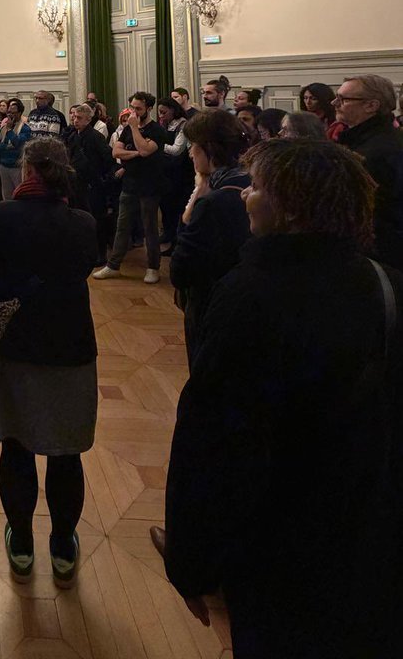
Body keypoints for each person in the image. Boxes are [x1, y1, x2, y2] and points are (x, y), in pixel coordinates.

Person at [163, 140, 403, 658]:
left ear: (290, 207)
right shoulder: (386, 282)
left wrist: (192, 562)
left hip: (278, 535)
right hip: (371, 525)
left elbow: (212, 439)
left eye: (257, 188)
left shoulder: (249, 294)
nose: (246, 196)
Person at [0, 137, 98, 588]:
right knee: (67, 454)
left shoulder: (3, 216)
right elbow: (85, 266)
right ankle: (64, 544)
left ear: (27, 171)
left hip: (16, 340)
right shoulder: (82, 223)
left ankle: (22, 541)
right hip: (70, 344)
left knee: (17, 445)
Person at [168, 110, 250, 362]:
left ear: (209, 150)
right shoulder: (248, 180)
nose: (190, 152)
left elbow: (180, 269)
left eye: (193, 146)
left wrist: (196, 198)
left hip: (213, 302)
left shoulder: (214, 200)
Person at [95, 92, 168, 283]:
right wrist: (136, 152)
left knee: (149, 228)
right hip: (129, 185)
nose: (134, 112)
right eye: (133, 107)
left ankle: (153, 267)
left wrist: (135, 131)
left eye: (138, 109)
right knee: (122, 226)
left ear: (149, 109)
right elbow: (116, 151)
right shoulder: (127, 128)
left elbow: (146, 149)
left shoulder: (157, 131)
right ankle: (113, 265)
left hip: (150, 186)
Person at [336, 74, 403, 268]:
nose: (334, 103)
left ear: (371, 106)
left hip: (379, 252)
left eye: (343, 99)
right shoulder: (366, 140)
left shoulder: (377, 151)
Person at [67, 103, 117, 264]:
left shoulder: (96, 137)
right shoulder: (73, 136)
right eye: (74, 117)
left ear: (88, 119)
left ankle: (100, 254)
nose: (75, 120)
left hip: (93, 185)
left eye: (79, 118)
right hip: (77, 184)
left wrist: (102, 180)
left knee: (97, 220)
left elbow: (108, 159)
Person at [157, 97, 193, 255]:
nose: (161, 116)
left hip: (180, 174)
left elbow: (177, 149)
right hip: (166, 173)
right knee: (166, 207)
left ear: (173, 110)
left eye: (164, 112)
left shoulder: (183, 125)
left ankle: (176, 243)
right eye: (159, 113)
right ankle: (168, 234)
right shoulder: (164, 124)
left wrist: (156, 144)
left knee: (177, 209)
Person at [0, 98, 32, 201]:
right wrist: (6, 147)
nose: (10, 115)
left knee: (19, 195)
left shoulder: (25, 128)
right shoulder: (3, 127)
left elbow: (18, 144)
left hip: (17, 167)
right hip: (4, 165)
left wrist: (10, 131)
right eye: (9, 113)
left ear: (19, 113)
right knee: (7, 195)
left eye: (13, 113)